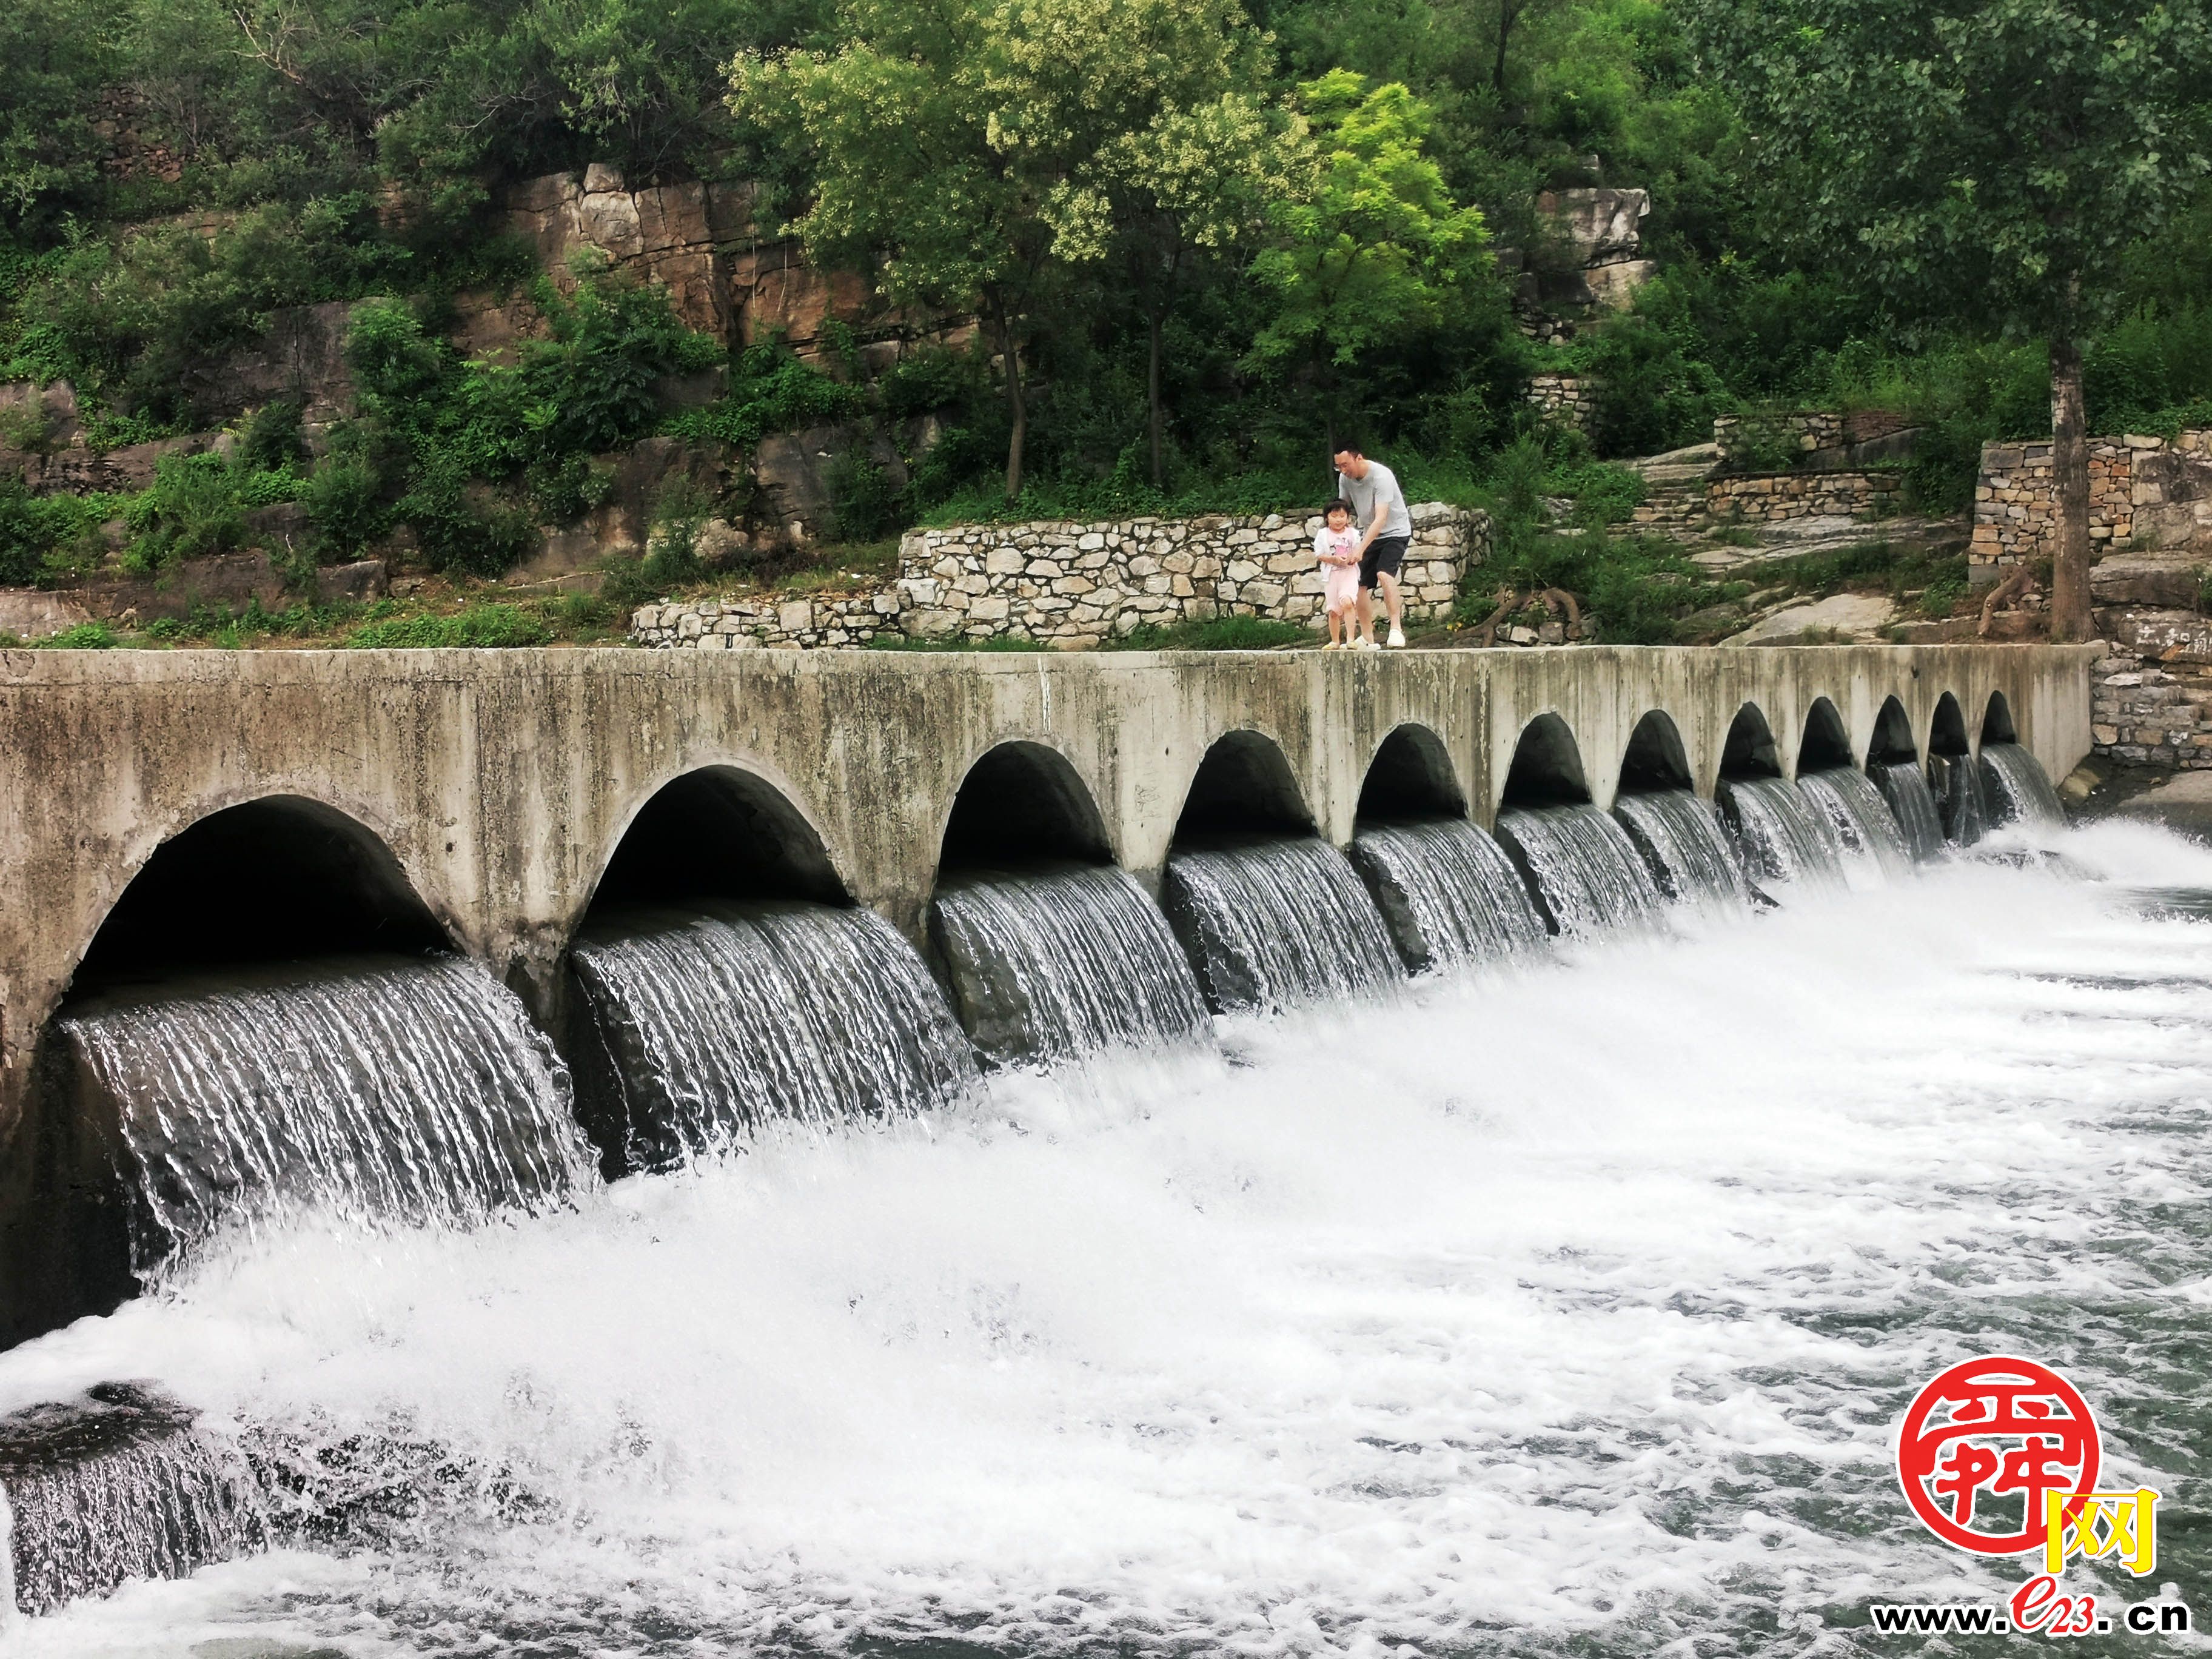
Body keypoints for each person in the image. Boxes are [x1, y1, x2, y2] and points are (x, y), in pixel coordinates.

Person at [1332, 443, 1412, 649]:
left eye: (1346, 465)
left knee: (1384, 574)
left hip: (1394, 532)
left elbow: (1381, 518)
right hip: (1369, 534)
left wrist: (1360, 548)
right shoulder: (1345, 479)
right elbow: (1343, 512)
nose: (1343, 470)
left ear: (1359, 458)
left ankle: (1396, 629)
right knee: (1357, 584)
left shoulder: (1381, 477)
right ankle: (1367, 637)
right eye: (1339, 466)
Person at [1313, 499, 1363, 649]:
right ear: (1327, 517)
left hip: (1349, 573)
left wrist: (1352, 558)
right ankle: (1335, 640)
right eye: (1334, 516)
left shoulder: (1353, 534)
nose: (1338, 520)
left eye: (1342, 516)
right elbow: (1319, 554)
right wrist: (1333, 559)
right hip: (1332, 575)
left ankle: (1350, 639)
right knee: (1334, 610)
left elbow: (1358, 551)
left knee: (1348, 602)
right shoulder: (1323, 534)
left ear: (1348, 517)